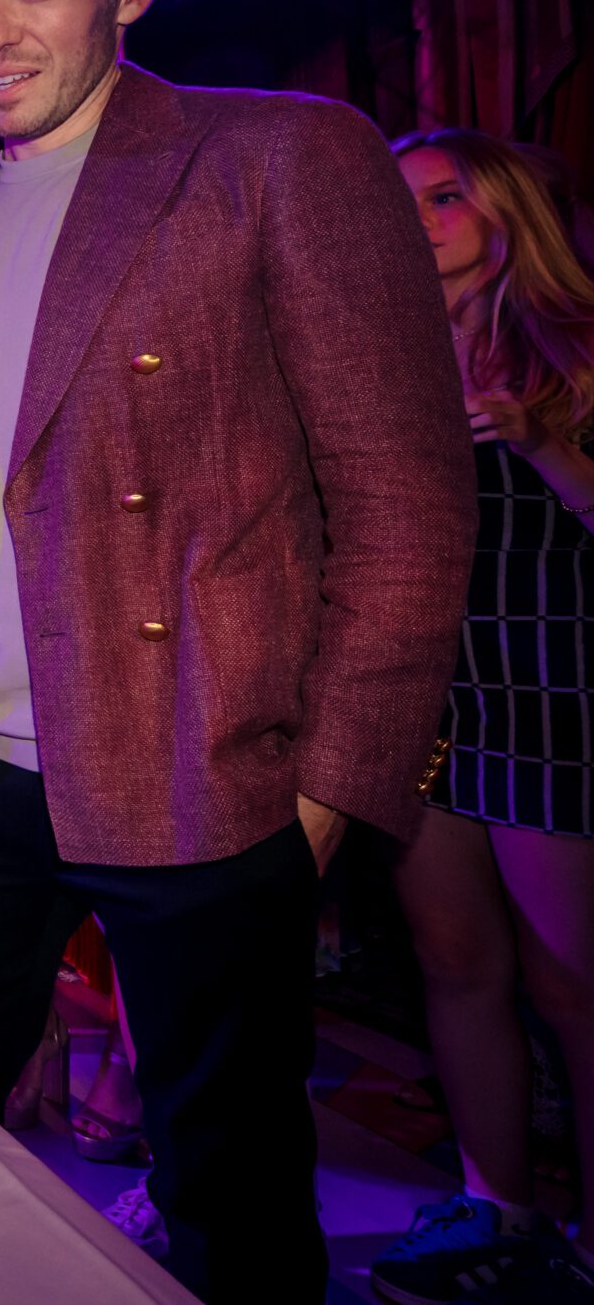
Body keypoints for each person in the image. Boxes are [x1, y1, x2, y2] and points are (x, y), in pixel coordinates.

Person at [0, 0, 474, 1302]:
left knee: (232, 1186)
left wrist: (331, 787)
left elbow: (405, 496)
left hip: (201, 770)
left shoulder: (277, 156)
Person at [368, 129, 594, 1304]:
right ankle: (495, 1205)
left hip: (556, 689)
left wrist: (540, 438)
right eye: (402, 202)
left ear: (506, 210)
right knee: (454, 963)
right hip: (431, 688)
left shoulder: (574, 344)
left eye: (444, 197)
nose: (421, 219)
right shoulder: (390, 356)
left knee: (571, 987)